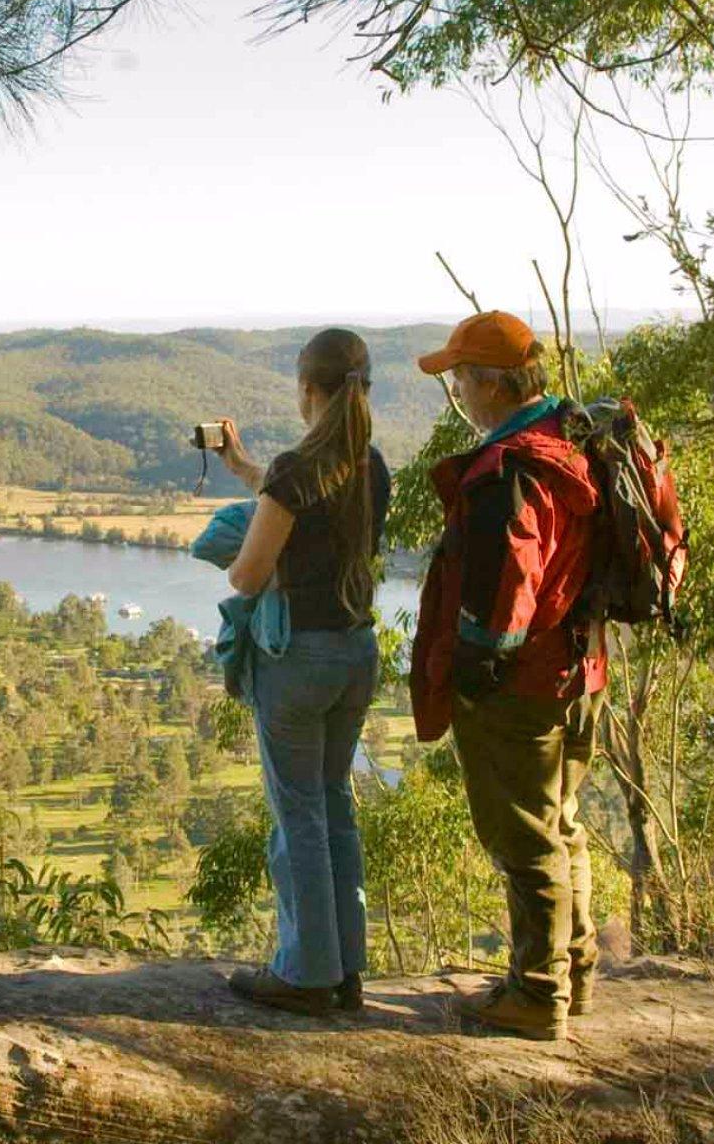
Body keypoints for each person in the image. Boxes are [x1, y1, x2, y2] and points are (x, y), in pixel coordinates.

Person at [409, 311, 602, 1042]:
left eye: (460, 375)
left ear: (490, 383)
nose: (456, 387)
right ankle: (570, 974)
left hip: (521, 682)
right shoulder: (567, 443)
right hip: (577, 667)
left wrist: (472, 665)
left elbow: (507, 583)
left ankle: (536, 993)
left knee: (524, 837)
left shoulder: (509, 468)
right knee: (560, 825)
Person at [208, 327, 392, 1016]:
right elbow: (298, 496)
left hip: (299, 661)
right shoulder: (368, 463)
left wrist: (232, 551)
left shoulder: (299, 468)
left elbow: (249, 572)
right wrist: (243, 468)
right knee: (334, 806)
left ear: (306, 391)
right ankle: (344, 969)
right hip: (354, 654)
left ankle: (305, 973)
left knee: (297, 815)